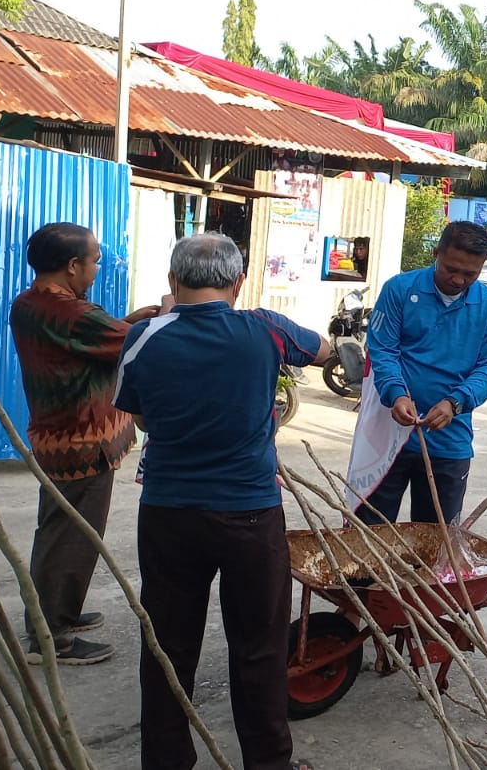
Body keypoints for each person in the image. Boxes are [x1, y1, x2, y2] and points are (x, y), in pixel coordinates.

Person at [113, 233, 330, 770]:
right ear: (237, 282)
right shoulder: (266, 328)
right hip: (251, 515)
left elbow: (139, 418)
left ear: (171, 281)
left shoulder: (142, 337)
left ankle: (165, 762)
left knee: (167, 645)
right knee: (259, 647)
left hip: (169, 514)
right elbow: (327, 351)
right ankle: (268, 762)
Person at [9, 223, 166, 666]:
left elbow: (102, 337)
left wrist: (131, 320)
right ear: (72, 265)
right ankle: (52, 635)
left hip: (58, 436)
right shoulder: (69, 313)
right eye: (94, 260)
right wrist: (165, 319)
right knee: (73, 535)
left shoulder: (33, 303)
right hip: (78, 442)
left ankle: (60, 613)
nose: (98, 267)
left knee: (61, 529)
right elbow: (130, 345)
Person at [355, 220, 487, 525]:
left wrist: (456, 402)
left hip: (450, 441)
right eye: (451, 268)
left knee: (436, 545)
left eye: (470, 274)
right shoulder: (399, 289)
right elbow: (382, 350)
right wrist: (396, 393)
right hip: (387, 438)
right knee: (368, 537)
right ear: (436, 252)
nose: (458, 279)